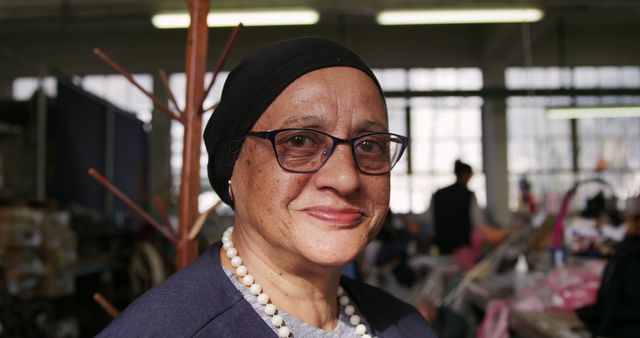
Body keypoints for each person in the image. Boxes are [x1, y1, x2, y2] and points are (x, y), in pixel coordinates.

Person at [97, 37, 436, 337]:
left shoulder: (405, 325)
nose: (346, 178)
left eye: (369, 145)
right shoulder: (164, 330)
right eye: (300, 140)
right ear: (231, 167)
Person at [424, 159, 507, 256]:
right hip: (463, 248)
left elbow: (428, 219)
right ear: (465, 175)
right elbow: (479, 224)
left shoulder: (439, 194)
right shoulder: (468, 195)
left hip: (442, 245)